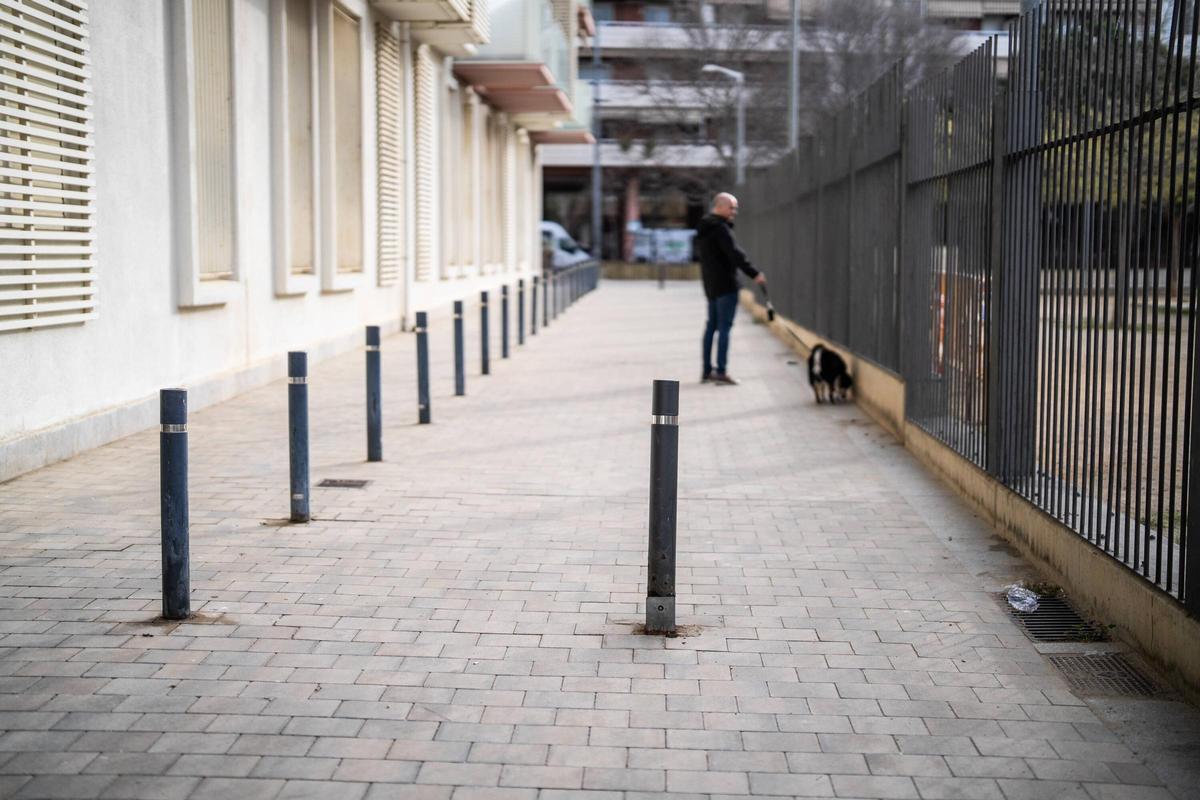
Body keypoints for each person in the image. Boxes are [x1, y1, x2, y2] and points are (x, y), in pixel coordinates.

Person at [694, 192, 766, 385]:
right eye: (731, 207)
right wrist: (754, 273)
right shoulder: (720, 229)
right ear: (719, 206)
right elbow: (735, 254)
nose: (734, 211)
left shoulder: (703, 229)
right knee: (724, 328)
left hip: (710, 285)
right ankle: (721, 371)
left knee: (711, 327)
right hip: (726, 285)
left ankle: (707, 371)